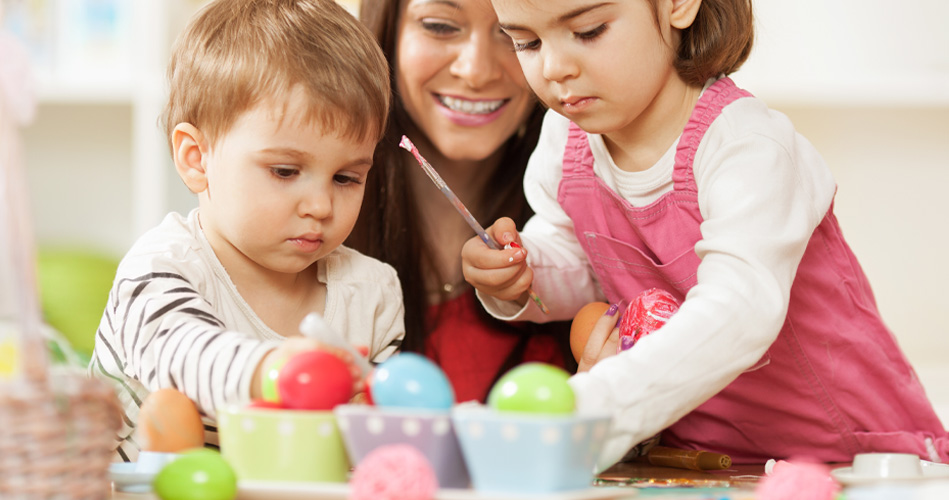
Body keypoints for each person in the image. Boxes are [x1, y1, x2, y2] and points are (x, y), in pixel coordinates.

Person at [462, 0, 949, 469]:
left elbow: (740, 310)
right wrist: (524, 271)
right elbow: (581, 261)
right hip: (707, 460)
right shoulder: (563, 139)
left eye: (589, 31)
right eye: (525, 42)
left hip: (854, 457)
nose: (555, 68)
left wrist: (593, 408)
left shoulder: (746, 145)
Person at [89, 0, 403, 462]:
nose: (320, 205)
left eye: (346, 178)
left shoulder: (372, 293)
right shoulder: (159, 268)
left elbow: (372, 438)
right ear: (197, 157)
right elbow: (180, 358)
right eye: (284, 171)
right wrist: (278, 368)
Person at [346, 0, 575, 404]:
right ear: (386, 29)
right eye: (440, 26)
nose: (477, 71)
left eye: (511, 33)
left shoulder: (593, 240)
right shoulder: (307, 235)